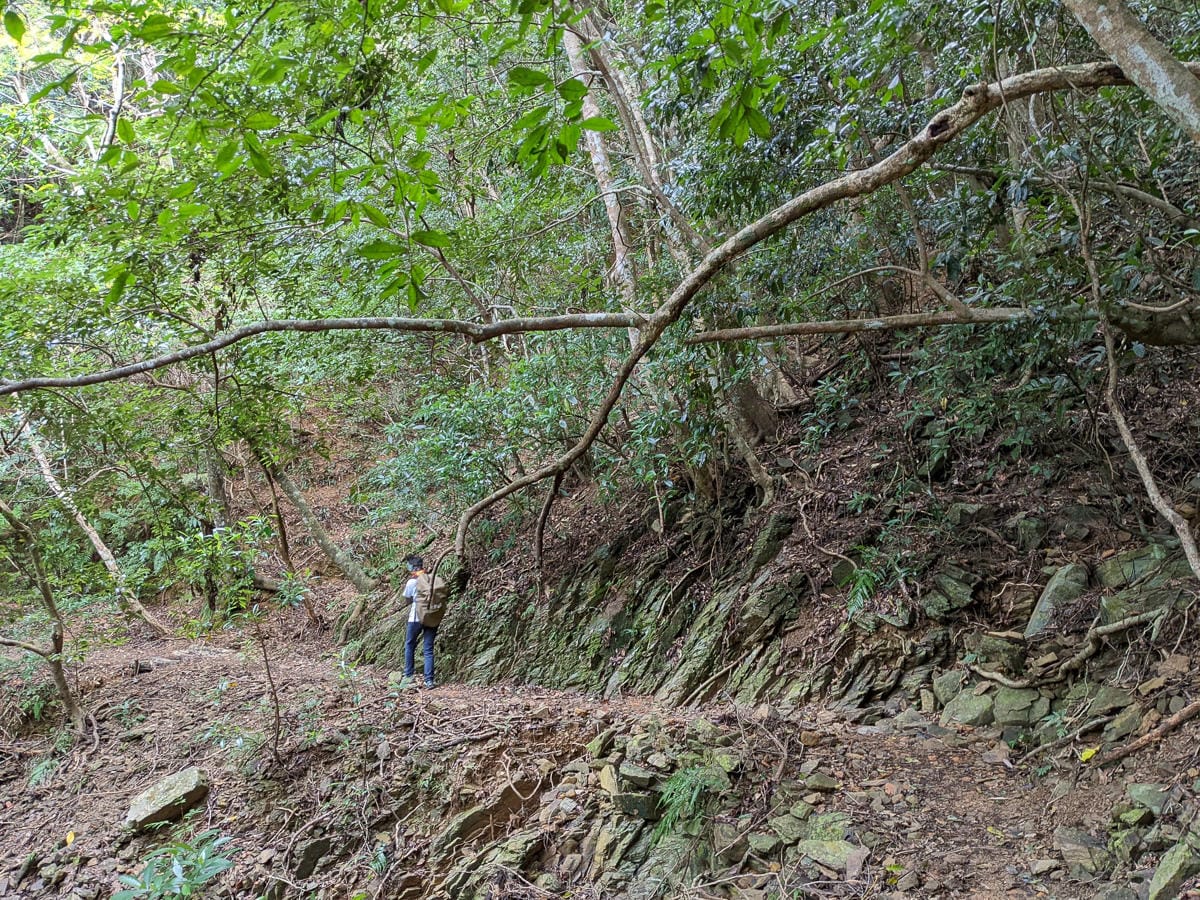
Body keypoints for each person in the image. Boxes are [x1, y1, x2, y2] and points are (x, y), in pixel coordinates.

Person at [402, 555, 438, 688]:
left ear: (413, 567)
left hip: (415, 618)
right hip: (431, 618)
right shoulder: (431, 579)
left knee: (410, 645)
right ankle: (429, 680)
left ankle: (408, 676)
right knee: (428, 649)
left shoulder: (412, 582)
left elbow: (407, 600)